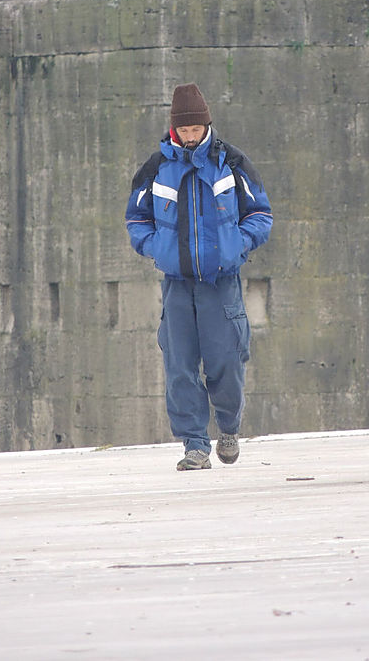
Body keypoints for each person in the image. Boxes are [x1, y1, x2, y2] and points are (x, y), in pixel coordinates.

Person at [125, 84, 273, 470]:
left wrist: (235, 246)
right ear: (175, 130)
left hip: (221, 282)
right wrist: (156, 248)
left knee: (226, 360)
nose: (190, 137)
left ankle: (227, 427)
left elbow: (260, 215)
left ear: (206, 126)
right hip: (176, 284)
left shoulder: (233, 164)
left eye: (196, 130)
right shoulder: (155, 168)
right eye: (184, 131)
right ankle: (194, 444)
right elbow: (136, 220)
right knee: (180, 365)